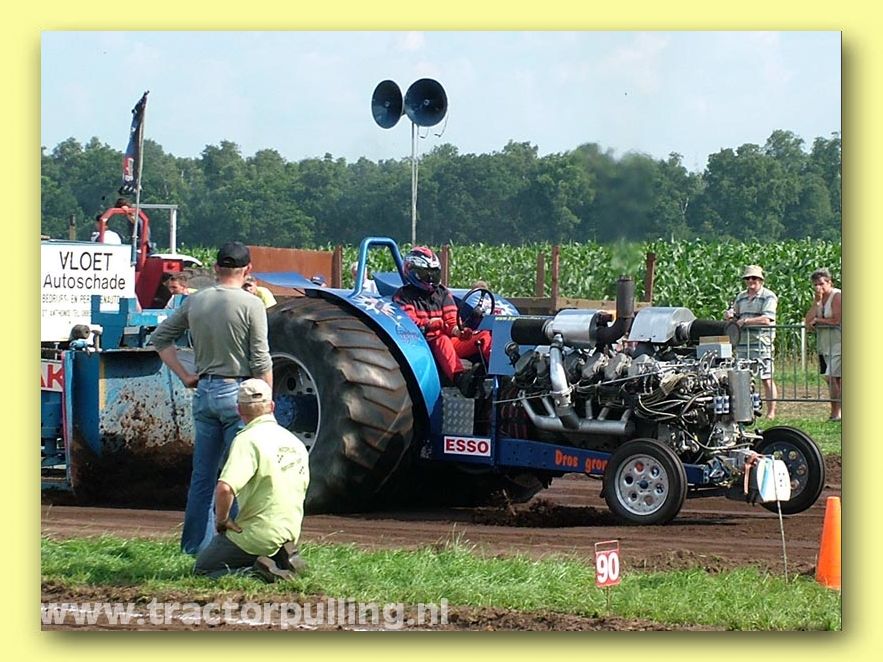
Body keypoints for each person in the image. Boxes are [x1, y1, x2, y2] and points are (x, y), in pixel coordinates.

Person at [150, 241, 273, 555]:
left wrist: (185, 375)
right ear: (248, 269)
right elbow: (261, 360)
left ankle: (194, 548)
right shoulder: (252, 304)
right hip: (239, 395)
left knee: (202, 477)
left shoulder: (195, 301)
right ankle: (236, 549)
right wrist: (266, 403)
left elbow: (160, 339)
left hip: (204, 392)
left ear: (216, 268)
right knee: (240, 475)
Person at [194, 379, 310, 582]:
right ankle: (282, 556)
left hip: (256, 536)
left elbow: (224, 489)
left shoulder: (246, 440)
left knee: (203, 570)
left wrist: (222, 521)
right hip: (290, 531)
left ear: (239, 410)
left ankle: (258, 572)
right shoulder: (295, 442)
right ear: (272, 406)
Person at [392, 246, 491, 397]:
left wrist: (459, 332)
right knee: (441, 338)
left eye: (434, 273)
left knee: (484, 336)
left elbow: (452, 320)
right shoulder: (403, 296)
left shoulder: (443, 293)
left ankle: (500, 375)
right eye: (426, 274)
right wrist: (430, 324)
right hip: (421, 346)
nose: (431, 279)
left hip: (448, 342)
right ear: (412, 272)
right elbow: (410, 325)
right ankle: (460, 378)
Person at [725, 265, 778, 419]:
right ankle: (745, 410)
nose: (750, 281)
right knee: (743, 378)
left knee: (766, 378)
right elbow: (736, 317)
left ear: (761, 280)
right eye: (748, 278)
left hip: (761, 343)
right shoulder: (740, 297)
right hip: (742, 344)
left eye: (754, 278)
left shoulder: (769, 296)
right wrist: (730, 316)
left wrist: (745, 321)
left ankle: (771, 412)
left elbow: (767, 319)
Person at [803, 268, 841, 421]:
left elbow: (837, 320)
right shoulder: (819, 299)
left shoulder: (837, 296)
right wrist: (816, 302)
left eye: (821, 284)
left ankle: (835, 414)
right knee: (833, 379)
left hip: (839, 343)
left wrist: (818, 321)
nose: (818, 287)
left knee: (831, 377)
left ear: (829, 282)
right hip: (825, 344)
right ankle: (837, 412)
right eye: (815, 285)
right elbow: (807, 322)